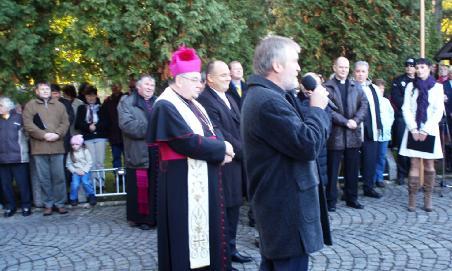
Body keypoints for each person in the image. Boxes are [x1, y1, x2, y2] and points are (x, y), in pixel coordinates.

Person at [241, 36, 331, 271]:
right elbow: (308, 144)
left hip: (281, 209)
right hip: (285, 212)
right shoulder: (268, 101)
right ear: (277, 65)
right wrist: (318, 109)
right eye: (295, 61)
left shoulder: (270, 96)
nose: (299, 68)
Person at [148, 46, 234, 271]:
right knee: (185, 237)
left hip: (203, 175)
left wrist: (222, 147)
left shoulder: (193, 103)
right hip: (181, 183)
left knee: (210, 231)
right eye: (195, 79)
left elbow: (210, 131)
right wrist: (220, 149)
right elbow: (186, 141)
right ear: (179, 80)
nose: (200, 84)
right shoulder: (166, 105)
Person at [197, 60, 252, 268]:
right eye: (223, 75)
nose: (229, 78)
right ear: (210, 78)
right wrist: (243, 151)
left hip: (236, 163)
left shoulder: (228, 97)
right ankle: (222, 257)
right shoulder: (205, 100)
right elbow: (220, 132)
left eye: (229, 74)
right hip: (225, 162)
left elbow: (239, 127)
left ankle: (232, 248)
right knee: (224, 210)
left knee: (234, 207)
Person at [399, 58, 444, 212]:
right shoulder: (411, 86)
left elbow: (438, 111)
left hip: (429, 130)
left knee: (429, 164)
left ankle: (428, 198)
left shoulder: (437, 87)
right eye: (417, 67)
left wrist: (426, 130)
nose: (419, 70)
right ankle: (412, 197)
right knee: (414, 163)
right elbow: (406, 108)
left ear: (429, 68)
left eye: (422, 67)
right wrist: (413, 128)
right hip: (413, 129)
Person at [325, 57, 368, 211]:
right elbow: (328, 110)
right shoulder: (327, 87)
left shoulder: (356, 86)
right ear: (334, 67)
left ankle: (352, 198)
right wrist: (345, 121)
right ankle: (331, 201)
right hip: (335, 135)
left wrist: (356, 120)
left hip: (353, 134)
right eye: (341, 67)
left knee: (352, 169)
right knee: (333, 170)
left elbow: (364, 105)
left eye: (346, 67)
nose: (344, 70)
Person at [23, 82, 70, 215]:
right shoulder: (30, 105)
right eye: (42, 89)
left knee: (59, 177)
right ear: (36, 91)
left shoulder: (59, 105)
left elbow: (65, 122)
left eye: (47, 89)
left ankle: (60, 203)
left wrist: (57, 134)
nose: (45, 91)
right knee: (44, 178)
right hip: (39, 148)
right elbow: (28, 124)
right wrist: (44, 135)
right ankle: (48, 204)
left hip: (57, 146)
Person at [118, 75, 158, 230]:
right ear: (138, 87)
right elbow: (127, 125)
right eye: (147, 84)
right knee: (141, 187)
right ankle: (142, 219)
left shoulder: (159, 102)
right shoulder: (127, 102)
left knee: (156, 186)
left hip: (157, 152)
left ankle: (156, 217)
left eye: (152, 85)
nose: (150, 87)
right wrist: (152, 129)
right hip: (138, 151)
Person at [353, 61, 383, 198]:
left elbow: (378, 110)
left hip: (371, 130)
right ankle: (350, 190)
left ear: (368, 72)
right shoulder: (350, 87)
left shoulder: (374, 89)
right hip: (353, 131)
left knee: (370, 160)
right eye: (358, 71)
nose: (360, 74)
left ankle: (368, 187)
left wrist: (380, 127)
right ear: (354, 72)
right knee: (352, 162)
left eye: (363, 71)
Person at [0, 97, 32, 217]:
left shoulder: (19, 118)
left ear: (8, 107)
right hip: (2, 159)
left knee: (22, 183)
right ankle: (10, 206)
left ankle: (26, 206)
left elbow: (28, 135)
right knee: (5, 185)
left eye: (0, 105)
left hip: (19, 157)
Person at [75, 85, 108, 188]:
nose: (90, 98)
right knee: (91, 161)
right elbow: (78, 124)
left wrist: (96, 126)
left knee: (100, 161)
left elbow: (106, 123)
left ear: (96, 96)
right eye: (88, 96)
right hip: (88, 137)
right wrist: (89, 127)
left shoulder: (101, 108)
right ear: (85, 96)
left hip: (100, 137)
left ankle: (101, 184)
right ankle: (93, 183)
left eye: (92, 95)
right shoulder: (81, 108)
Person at [391, 58, 416, 185]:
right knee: (402, 145)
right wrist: (410, 106)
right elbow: (396, 98)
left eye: (412, 65)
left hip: (416, 118)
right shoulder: (399, 80)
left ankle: (414, 172)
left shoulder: (419, 81)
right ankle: (401, 174)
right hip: (402, 117)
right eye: (407, 65)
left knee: (415, 145)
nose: (409, 67)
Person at [374, 79, 395, 186]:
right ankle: (372, 178)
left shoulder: (386, 102)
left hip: (385, 134)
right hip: (374, 134)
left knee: (381, 156)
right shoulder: (371, 101)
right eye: (379, 88)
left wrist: (387, 126)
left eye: (382, 88)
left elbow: (391, 115)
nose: (381, 90)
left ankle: (380, 177)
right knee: (373, 156)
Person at [66, 134, 96, 206]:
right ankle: (73, 198)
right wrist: (75, 171)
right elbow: (68, 164)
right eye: (73, 144)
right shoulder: (70, 154)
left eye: (76, 144)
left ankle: (91, 196)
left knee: (86, 182)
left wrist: (84, 170)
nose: (74, 146)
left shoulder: (85, 151)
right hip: (76, 172)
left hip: (85, 171)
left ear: (81, 144)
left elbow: (89, 162)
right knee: (75, 184)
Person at [102, 83, 125, 168]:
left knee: (128, 158)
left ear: (121, 87)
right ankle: (118, 178)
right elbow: (104, 117)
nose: (115, 88)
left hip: (125, 134)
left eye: (117, 86)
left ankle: (128, 178)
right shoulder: (108, 101)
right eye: (113, 86)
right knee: (116, 158)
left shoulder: (126, 98)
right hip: (113, 134)